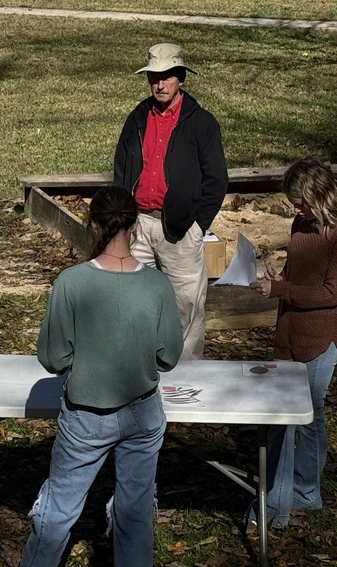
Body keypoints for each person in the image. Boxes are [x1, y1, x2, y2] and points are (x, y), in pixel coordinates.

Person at [0, 186, 184, 567]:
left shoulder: (72, 283)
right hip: (143, 414)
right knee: (134, 509)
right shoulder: (156, 284)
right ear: (136, 225)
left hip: (86, 417)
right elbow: (169, 355)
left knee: (58, 508)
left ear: (93, 225)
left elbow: (52, 357)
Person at [245, 158, 337, 530]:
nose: (296, 209)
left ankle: (285, 501)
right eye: (294, 203)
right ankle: (301, 492)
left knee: (302, 415)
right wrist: (281, 278)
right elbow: (299, 272)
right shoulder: (302, 224)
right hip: (291, 329)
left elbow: (330, 293)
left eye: (300, 202)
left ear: (319, 195)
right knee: (296, 415)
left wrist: (282, 290)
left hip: (322, 335)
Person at [113, 42, 229, 360]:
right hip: (138, 224)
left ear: (181, 78)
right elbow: (121, 169)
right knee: (134, 304)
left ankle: (186, 377)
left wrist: (198, 225)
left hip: (180, 229)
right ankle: (139, 371)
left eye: (167, 77)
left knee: (185, 309)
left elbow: (216, 179)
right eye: (154, 77)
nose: (160, 84)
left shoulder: (201, 123)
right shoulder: (137, 118)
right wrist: (123, 218)